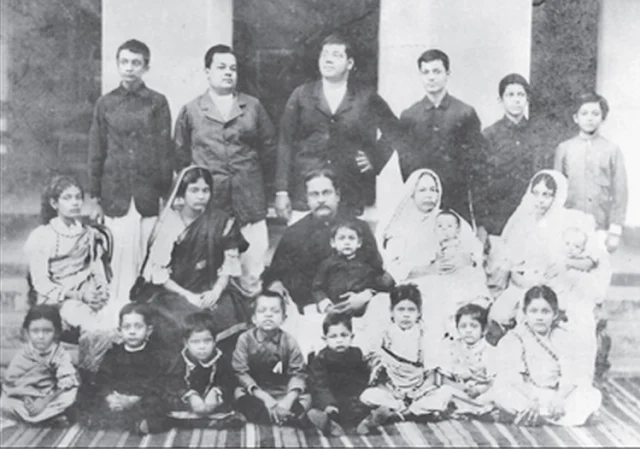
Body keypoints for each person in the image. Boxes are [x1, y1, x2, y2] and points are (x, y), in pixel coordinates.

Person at [174, 44, 276, 297]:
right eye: (221, 67)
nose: (228, 73)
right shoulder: (191, 111)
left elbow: (269, 150)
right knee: (209, 274)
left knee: (252, 272)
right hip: (210, 206)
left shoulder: (252, 107)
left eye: (233, 68)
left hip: (248, 202)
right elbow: (180, 157)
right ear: (207, 72)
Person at [489, 170, 610, 367]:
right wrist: (526, 283)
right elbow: (512, 268)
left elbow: (591, 259)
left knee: (573, 318)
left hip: (560, 281)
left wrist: (564, 266)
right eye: (536, 193)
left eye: (546, 194)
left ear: (557, 195)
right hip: (527, 282)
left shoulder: (571, 220)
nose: (540, 200)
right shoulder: (521, 223)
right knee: (500, 313)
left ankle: (560, 370)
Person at [275, 33, 400, 222]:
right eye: (324, 54)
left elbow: (395, 129)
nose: (328, 60)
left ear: (349, 63)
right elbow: (284, 142)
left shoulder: (365, 97)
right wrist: (281, 190)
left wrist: (375, 158)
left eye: (336, 55)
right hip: (306, 190)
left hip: (348, 190)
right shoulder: (302, 95)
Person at [87, 39, 173, 308]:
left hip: (147, 194)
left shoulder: (157, 102)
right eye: (124, 62)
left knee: (145, 257)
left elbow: (164, 152)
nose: (129, 68)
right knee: (118, 256)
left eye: (136, 63)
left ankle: (143, 320)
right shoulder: (106, 103)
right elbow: (96, 151)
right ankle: (116, 316)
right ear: (117, 65)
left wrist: (164, 193)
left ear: (145, 67)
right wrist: (94, 197)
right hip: (116, 193)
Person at [370, 169, 489, 360]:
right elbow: (394, 268)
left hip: (453, 276)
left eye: (433, 190)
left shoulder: (447, 218)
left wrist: (465, 258)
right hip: (419, 280)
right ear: (412, 194)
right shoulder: (400, 226)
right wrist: (429, 269)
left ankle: (464, 355)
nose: (429, 195)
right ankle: (437, 358)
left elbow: (474, 248)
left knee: (468, 297)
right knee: (434, 304)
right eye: (423, 190)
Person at [267, 168, 385, 354]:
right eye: (314, 194)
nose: (320, 199)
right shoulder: (294, 233)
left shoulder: (358, 228)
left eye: (326, 193)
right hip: (310, 317)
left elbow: (378, 273)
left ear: (337, 195)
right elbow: (274, 274)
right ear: (307, 199)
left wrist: (365, 295)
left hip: (355, 316)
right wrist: (276, 284)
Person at [140, 166, 251, 357]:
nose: (201, 196)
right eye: (194, 190)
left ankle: (222, 372)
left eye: (205, 190)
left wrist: (215, 291)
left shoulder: (221, 221)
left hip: (211, 287)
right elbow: (160, 274)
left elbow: (229, 264)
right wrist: (188, 296)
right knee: (184, 320)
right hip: (176, 291)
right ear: (182, 193)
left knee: (227, 313)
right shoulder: (169, 224)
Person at [24, 176, 116, 375]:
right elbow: (40, 282)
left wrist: (101, 291)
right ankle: (89, 379)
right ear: (54, 203)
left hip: (88, 295)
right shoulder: (43, 236)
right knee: (95, 329)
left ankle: (104, 378)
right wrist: (78, 296)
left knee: (119, 320)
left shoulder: (89, 233)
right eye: (67, 198)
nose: (74, 203)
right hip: (57, 299)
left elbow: (97, 268)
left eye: (78, 197)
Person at [491, 285, 602, 426]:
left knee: (591, 394)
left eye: (545, 312)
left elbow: (572, 373)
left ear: (555, 314)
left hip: (556, 395)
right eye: (533, 311)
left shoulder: (564, 337)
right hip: (527, 393)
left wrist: (560, 398)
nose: (539, 317)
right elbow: (511, 376)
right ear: (525, 313)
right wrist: (532, 399)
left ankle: (538, 417)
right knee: (500, 388)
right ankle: (546, 415)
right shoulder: (514, 338)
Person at [397, 49, 484, 223]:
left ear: (447, 74)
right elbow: (405, 163)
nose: (431, 77)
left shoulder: (465, 113)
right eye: (426, 72)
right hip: (421, 203)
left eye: (437, 71)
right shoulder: (409, 116)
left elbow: (477, 162)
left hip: (456, 200)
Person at [357, 285, 454, 435]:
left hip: (420, 390)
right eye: (401, 310)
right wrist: (395, 392)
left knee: (445, 393)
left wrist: (418, 391)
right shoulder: (384, 337)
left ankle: (396, 415)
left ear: (419, 313)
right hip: (393, 391)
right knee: (368, 396)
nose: (406, 315)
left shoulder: (425, 336)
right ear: (391, 312)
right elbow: (380, 374)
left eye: (411, 310)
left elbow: (432, 375)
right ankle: (414, 413)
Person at [554, 91, 628, 253]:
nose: (589, 118)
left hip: (599, 226)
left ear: (603, 118)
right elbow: (557, 191)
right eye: (584, 113)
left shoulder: (612, 150)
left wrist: (615, 230)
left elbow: (620, 192)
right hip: (569, 225)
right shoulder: (564, 148)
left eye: (595, 114)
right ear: (575, 118)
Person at [475, 73, 546, 241]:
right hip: (498, 218)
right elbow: (479, 182)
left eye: (521, 95)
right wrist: (481, 224)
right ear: (501, 100)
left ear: (527, 99)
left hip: (531, 215)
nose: (516, 100)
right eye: (510, 95)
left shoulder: (538, 134)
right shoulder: (488, 136)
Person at [80, 303, 169, 434]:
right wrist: (110, 397)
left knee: (158, 402)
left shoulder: (154, 354)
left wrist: (132, 399)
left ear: (148, 330)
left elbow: (155, 383)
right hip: (115, 398)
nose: (132, 331)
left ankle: (137, 423)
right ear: (119, 330)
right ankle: (108, 419)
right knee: (85, 391)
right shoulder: (113, 353)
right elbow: (103, 378)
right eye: (127, 327)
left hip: (139, 399)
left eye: (138, 327)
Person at [232, 291, 311, 426]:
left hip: (282, 390)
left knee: (307, 397)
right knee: (238, 394)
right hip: (256, 392)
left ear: (284, 318)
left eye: (275, 311)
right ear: (254, 318)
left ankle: (281, 414)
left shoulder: (290, 341)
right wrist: (264, 397)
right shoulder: (245, 339)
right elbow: (241, 372)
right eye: (262, 311)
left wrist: (288, 400)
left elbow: (298, 373)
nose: (268, 315)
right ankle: (284, 417)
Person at [1, 305, 79, 426]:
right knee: (5, 402)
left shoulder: (59, 354)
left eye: (47, 331)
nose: (41, 336)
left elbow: (66, 381)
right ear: (27, 332)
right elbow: (13, 382)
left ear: (57, 332)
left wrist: (43, 402)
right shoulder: (23, 354)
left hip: (51, 395)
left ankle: (43, 418)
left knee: (69, 396)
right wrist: (27, 399)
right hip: (25, 398)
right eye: (35, 331)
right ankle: (47, 419)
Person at [164, 312, 241, 426]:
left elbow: (228, 380)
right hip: (187, 401)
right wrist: (190, 396)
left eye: (207, 341)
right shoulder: (181, 360)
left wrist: (216, 392)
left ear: (215, 341)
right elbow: (173, 382)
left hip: (212, 401)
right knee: (165, 401)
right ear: (186, 343)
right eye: (195, 342)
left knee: (233, 400)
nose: (202, 347)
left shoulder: (220, 359)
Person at [307, 313, 371, 436]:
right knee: (329, 411)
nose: (339, 340)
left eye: (344, 335)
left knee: (364, 406)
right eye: (333, 336)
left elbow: (363, 378)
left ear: (352, 337)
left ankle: (367, 422)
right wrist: (328, 404)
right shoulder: (321, 359)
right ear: (325, 339)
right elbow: (320, 385)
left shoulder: (356, 354)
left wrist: (360, 397)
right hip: (333, 398)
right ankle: (330, 425)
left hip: (354, 398)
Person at [312, 219, 395, 313]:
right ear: (333, 243)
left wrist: (366, 295)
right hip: (333, 309)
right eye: (341, 238)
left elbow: (375, 286)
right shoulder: (326, 265)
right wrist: (326, 305)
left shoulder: (365, 267)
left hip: (359, 313)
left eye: (351, 238)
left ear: (359, 243)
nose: (347, 242)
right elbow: (317, 288)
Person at [437, 304, 496, 418]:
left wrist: (478, 391)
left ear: (483, 329)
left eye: (473, 326)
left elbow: (492, 381)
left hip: (482, 394)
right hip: (461, 392)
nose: (468, 330)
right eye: (463, 326)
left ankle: (476, 410)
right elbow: (444, 379)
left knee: (497, 394)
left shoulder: (490, 351)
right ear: (457, 328)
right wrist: (462, 388)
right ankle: (463, 409)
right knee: (444, 391)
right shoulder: (453, 348)